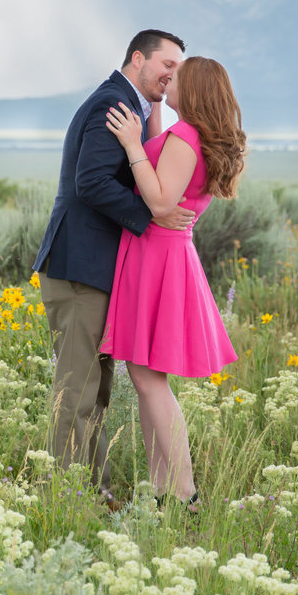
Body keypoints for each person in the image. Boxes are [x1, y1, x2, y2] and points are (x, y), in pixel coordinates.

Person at [33, 30, 197, 505]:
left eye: (178, 68)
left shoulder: (136, 107)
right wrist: (153, 213)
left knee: (94, 391)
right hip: (80, 269)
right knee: (78, 391)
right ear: (137, 58)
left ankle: (93, 491)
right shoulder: (115, 103)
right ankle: (63, 500)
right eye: (166, 63)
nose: (172, 74)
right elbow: (91, 181)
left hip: (96, 271)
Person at [99, 55, 246, 513]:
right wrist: (151, 118)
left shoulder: (186, 138)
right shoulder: (190, 135)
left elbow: (161, 199)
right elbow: (165, 152)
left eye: (177, 78)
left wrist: (130, 143)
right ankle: (161, 490)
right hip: (164, 254)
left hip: (158, 255)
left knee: (148, 378)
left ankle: (184, 494)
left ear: (195, 90)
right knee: (147, 376)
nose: (169, 80)